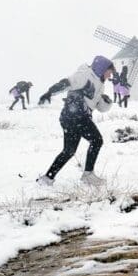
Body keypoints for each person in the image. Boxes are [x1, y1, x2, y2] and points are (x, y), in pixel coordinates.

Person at [36, 56, 115, 186]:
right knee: (96, 140)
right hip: (76, 115)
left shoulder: (100, 84)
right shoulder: (85, 75)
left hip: (71, 117)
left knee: (69, 151)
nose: (110, 75)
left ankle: (47, 178)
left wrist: (106, 103)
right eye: (109, 71)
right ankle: (88, 175)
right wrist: (49, 92)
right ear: (102, 68)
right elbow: (67, 83)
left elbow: (97, 106)